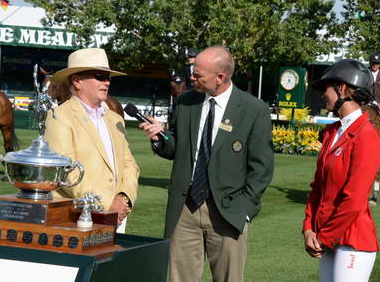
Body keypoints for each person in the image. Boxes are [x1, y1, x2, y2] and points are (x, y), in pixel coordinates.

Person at [140, 46, 274, 282]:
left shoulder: (254, 110)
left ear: (220, 78)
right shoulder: (186, 102)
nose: (191, 78)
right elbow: (178, 148)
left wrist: (244, 210)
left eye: (198, 74)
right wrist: (160, 139)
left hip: (228, 212)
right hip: (185, 209)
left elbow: (262, 169)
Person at [303, 59, 380, 282]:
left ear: (341, 88)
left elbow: (355, 199)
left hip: (353, 239)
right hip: (326, 236)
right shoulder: (331, 132)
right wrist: (308, 228)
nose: (323, 94)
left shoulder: (366, 136)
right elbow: (317, 187)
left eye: (326, 88)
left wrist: (323, 236)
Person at [44, 48, 140, 233]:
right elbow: (66, 170)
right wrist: (107, 203)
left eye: (108, 77)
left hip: (117, 215)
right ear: (77, 81)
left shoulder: (115, 119)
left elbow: (130, 165)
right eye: (100, 76)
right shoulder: (59, 116)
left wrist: (123, 198)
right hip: (77, 216)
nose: (107, 82)